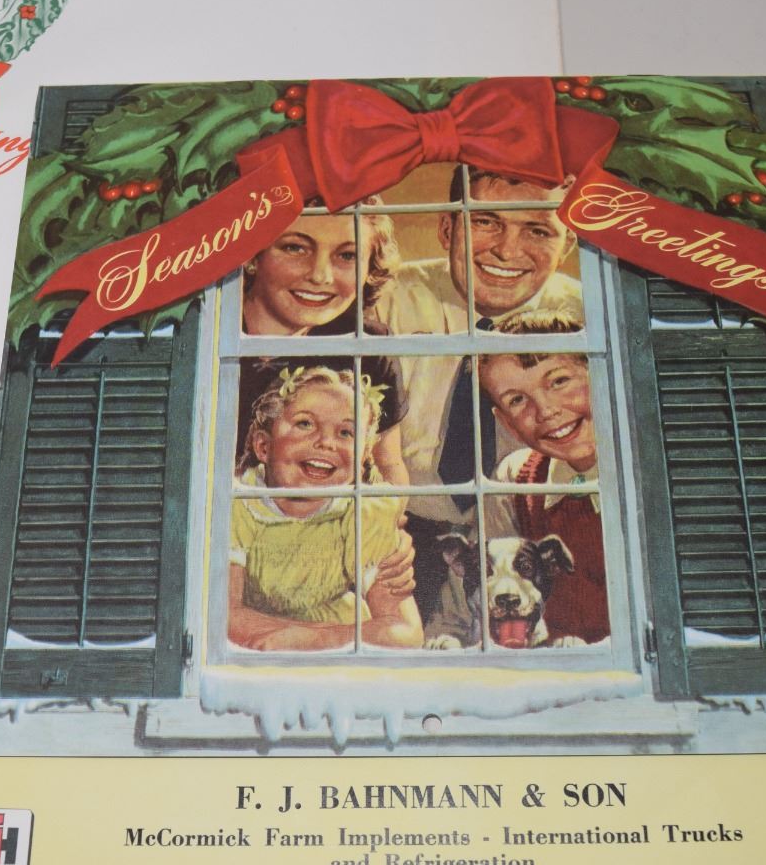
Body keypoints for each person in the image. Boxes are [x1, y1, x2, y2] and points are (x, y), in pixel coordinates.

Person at [368, 169, 583, 620]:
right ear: (447, 228)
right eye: (486, 222)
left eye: (538, 230)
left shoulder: (587, 316)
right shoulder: (384, 300)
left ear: (567, 244)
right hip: (403, 534)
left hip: (534, 539)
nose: (507, 250)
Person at [229, 367, 423, 651]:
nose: (326, 443)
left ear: (362, 459)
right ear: (263, 446)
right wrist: (298, 638)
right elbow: (223, 617)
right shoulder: (238, 505)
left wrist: (311, 639)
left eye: (346, 432)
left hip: (341, 652)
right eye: (305, 424)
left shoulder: (365, 514)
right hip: (257, 652)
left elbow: (406, 631)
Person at [237, 208, 407, 486]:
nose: (320, 276)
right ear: (253, 256)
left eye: (347, 255)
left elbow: (389, 467)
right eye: (295, 248)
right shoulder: (208, 331)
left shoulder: (368, 345)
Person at [478, 311, 610, 644]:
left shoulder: (653, 471)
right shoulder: (514, 479)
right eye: (517, 400)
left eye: (559, 381)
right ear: (507, 424)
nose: (546, 410)